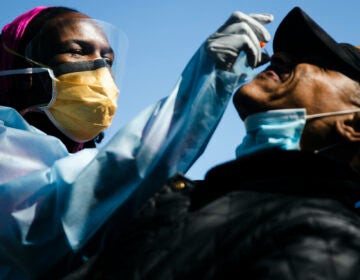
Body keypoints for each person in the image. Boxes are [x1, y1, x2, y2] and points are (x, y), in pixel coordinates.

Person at [67, 6, 360, 280]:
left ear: (353, 125)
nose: (278, 57)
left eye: (322, 63)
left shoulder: (329, 237)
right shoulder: (195, 200)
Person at [0, 5, 273, 280]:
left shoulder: (77, 165)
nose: (99, 71)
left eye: (107, 60)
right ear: (22, 71)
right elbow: (46, 219)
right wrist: (204, 83)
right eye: (77, 51)